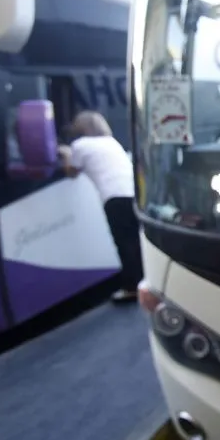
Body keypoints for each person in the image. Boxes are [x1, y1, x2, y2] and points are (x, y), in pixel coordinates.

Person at [57, 111, 142, 303]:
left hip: (114, 197)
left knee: (124, 243)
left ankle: (131, 288)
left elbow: (72, 173)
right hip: (133, 193)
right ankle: (144, 281)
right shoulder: (111, 142)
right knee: (136, 240)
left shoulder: (80, 145)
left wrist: (65, 154)